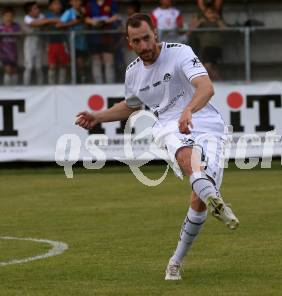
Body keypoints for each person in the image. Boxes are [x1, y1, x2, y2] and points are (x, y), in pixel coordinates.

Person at [75, 13, 239, 281]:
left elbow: (206, 87)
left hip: (207, 123)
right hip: (168, 125)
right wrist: (98, 117)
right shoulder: (132, 73)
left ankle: (178, 256)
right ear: (129, 43)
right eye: (137, 41)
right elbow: (131, 105)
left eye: (147, 38)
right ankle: (212, 196)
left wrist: (188, 110)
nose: (144, 46)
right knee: (187, 156)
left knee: (198, 199)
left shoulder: (179, 52)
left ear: (156, 33)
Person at [187, 5, 226, 80]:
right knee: (206, 67)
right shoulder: (202, 22)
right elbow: (190, 32)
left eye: (212, 13)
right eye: (209, 13)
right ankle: (217, 79)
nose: (211, 15)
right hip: (206, 47)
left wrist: (218, 20)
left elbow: (225, 30)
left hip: (216, 47)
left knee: (215, 67)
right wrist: (198, 22)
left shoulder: (217, 22)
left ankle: (218, 81)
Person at [85, 0, 120, 84]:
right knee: (96, 62)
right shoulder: (90, 3)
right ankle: (98, 85)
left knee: (109, 63)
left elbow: (115, 16)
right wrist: (94, 22)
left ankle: (110, 84)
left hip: (108, 37)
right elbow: (86, 18)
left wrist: (105, 22)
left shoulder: (111, 2)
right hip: (94, 37)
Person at [23, 1, 56, 85]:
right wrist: (50, 20)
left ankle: (40, 85)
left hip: (39, 43)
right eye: (35, 8)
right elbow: (36, 23)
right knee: (29, 66)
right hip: (29, 43)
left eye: (37, 7)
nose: (38, 9)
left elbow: (45, 23)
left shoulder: (41, 16)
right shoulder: (27, 18)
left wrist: (47, 21)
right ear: (29, 12)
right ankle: (25, 86)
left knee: (39, 67)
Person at [58, 0, 88, 83]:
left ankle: (83, 81)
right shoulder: (69, 12)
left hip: (84, 42)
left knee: (83, 65)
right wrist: (73, 22)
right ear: (70, 2)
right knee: (75, 63)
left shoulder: (84, 11)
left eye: (78, 1)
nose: (77, 3)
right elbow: (59, 24)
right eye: (75, 1)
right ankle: (73, 81)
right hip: (72, 43)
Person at [45, 0, 69, 85]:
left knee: (63, 65)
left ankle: (61, 85)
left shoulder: (65, 15)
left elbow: (66, 23)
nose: (58, 6)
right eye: (55, 4)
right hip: (51, 43)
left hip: (62, 43)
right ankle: (51, 86)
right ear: (50, 6)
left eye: (59, 4)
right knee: (52, 66)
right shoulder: (46, 15)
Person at [0, 7, 20, 85]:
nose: (9, 18)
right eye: (7, 16)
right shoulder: (1, 27)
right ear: (3, 17)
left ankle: (14, 88)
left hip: (14, 52)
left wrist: (16, 32)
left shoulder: (16, 26)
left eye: (10, 16)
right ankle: (8, 89)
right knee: (8, 70)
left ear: (13, 17)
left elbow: (20, 35)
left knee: (14, 70)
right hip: (4, 53)